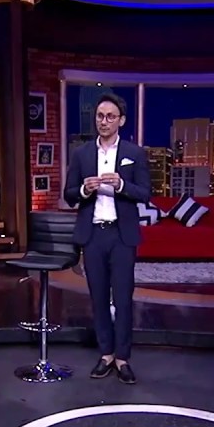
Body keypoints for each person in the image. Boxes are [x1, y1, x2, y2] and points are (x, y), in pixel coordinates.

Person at [63, 93, 153, 384]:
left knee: (123, 298)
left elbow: (145, 193)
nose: (104, 121)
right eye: (100, 116)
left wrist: (122, 184)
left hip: (121, 235)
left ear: (121, 121)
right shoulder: (81, 154)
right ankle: (106, 354)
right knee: (98, 297)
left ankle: (123, 357)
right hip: (93, 235)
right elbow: (69, 194)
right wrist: (85, 190)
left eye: (110, 116)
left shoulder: (134, 153)